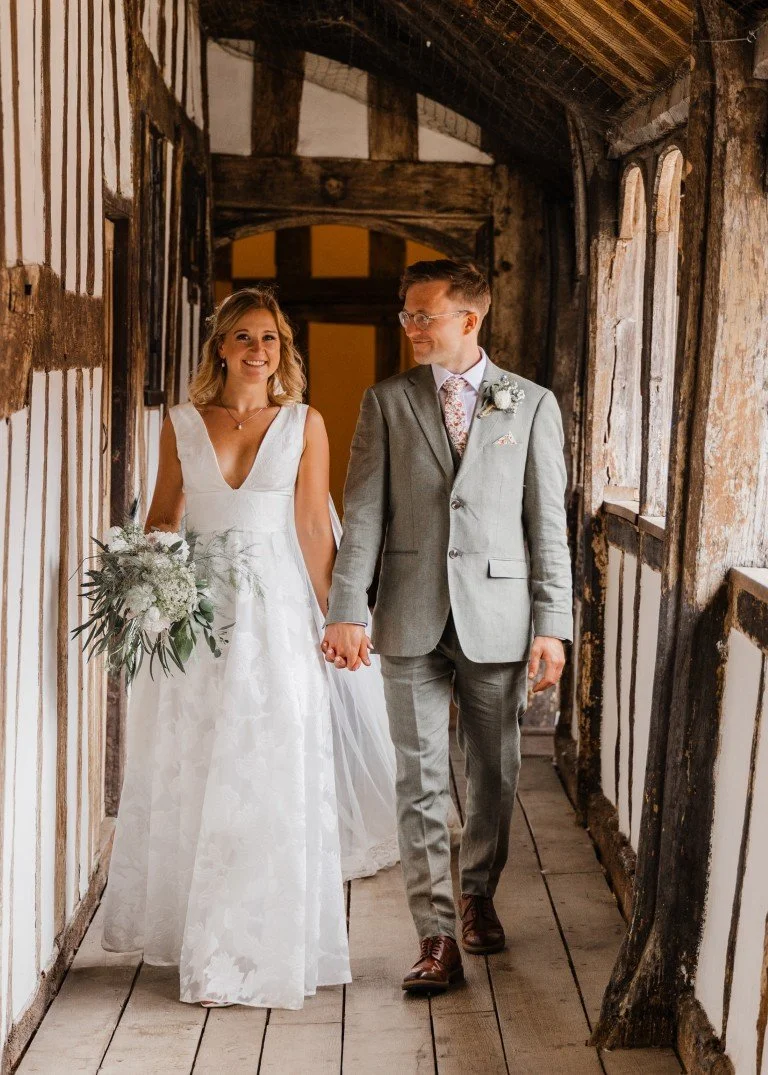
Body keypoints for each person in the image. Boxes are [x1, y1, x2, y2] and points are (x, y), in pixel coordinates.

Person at [101, 287, 399, 1009]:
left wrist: (342, 617)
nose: (256, 348)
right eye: (242, 336)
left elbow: (314, 531)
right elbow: (165, 513)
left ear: (282, 350)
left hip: (276, 619)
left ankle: (262, 944)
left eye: (269, 337)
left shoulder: (304, 424)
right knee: (200, 764)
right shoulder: (181, 423)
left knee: (270, 763)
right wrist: (149, 585)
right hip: (197, 619)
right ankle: (202, 938)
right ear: (221, 348)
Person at [322, 259, 573, 994]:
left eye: (422, 314)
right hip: (407, 611)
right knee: (420, 777)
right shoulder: (387, 402)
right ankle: (434, 935)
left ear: (470, 319)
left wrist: (553, 624)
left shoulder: (529, 405)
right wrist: (346, 607)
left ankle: (477, 893)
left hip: (498, 616)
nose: (409, 327)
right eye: (405, 314)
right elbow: (363, 511)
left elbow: (546, 525)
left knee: (493, 770)